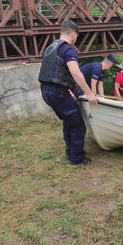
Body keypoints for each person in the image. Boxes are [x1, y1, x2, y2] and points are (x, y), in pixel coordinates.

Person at [38, 20, 97, 165]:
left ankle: (70, 151)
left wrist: (75, 92)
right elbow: (75, 73)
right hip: (57, 93)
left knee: (69, 120)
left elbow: (58, 73)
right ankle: (76, 158)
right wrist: (89, 93)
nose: (75, 39)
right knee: (77, 125)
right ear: (73, 34)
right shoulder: (68, 49)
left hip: (46, 92)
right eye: (76, 36)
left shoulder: (51, 47)